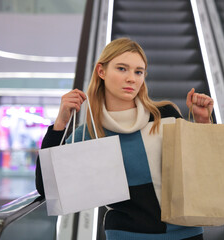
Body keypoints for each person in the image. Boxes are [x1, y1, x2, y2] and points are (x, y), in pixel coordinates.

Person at [35, 38, 214, 240]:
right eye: (122, 69)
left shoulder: (166, 115)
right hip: (127, 235)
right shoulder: (90, 134)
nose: (131, 78)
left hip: (186, 232)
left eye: (138, 72)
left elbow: (200, 167)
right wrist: (60, 124)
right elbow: (47, 187)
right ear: (101, 71)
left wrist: (203, 122)